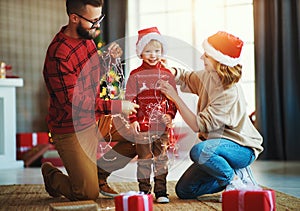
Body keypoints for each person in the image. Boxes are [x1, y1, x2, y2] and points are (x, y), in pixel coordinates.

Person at [42, 0, 139, 201]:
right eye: (93, 21)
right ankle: (52, 176)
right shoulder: (59, 56)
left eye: (100, 19)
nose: (98, 25)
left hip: (96, 118)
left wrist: (107, 60)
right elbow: (74, 103)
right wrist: (116, 106)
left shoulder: (87, 39)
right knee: (86, 194)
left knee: (138, 136)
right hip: (71, 127)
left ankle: (99, 175)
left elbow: (88, 75)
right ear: (74, 18)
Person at [158, 31, 263, 200]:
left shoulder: (229, 92)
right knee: (185, 191)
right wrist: (169, 70)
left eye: (206, 55)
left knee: (199, 151)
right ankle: (230, 175)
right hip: (217, 147)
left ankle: (236, 181)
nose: (202, 58)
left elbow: (197, 125)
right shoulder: (209, 76)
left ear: (219, 60)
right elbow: (187, 78)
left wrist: (175, 97)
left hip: (241, 148)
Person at [124, 27, 177, 203]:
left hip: (160, 127)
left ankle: (161, 192)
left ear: (162, 51)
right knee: (144, 161)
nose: (153, 55)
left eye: (157, 50)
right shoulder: (135, 75)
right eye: (148, 51)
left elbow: (173, 100)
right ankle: (144, 192)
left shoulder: (167, 75)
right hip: (142, 127)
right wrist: (132, 120)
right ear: (140, 52)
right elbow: (129, 99)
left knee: (161, 159)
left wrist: (169, 115)